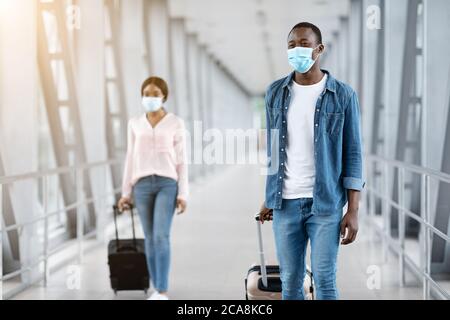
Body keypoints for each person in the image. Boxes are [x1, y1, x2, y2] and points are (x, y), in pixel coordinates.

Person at [259, 22, 364, 300]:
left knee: (325, 280)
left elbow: (353, 153)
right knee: (290, 282)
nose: (297, 50)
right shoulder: (275, 93)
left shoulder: (343, 95)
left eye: (304, 44)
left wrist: (353, 209)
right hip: (286, 203)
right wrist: (270, 196)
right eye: (292, 45)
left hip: (326, 204)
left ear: (319, 49)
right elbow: (272, 150)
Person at [117, 76, 188, 300]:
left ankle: (162, 290)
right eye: (146, 93)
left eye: (155, 94)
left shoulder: (176, 122)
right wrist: (125, 193)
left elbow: (182, 160)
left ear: (164, 96)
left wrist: (184, 193)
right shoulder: (135, 123)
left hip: (167, 183)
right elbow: (130, 157)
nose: (150, 97)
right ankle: (156, 287)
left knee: (160, 236)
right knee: (149, 237)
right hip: (142, 185)